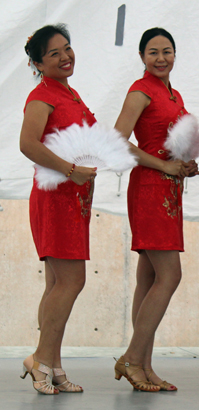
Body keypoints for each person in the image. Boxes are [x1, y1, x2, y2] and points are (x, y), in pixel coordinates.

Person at [113, 27, 199, 392]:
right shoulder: (140, 90)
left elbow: (167, 144)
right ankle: (132, 358)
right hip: (150, 189)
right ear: (142, 57)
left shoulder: (173, 94)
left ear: (176, 54)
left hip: (169, 190)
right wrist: (163, 166)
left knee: (148, 279)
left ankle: (144, 367)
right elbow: (117, 138)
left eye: (167, 51)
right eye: (153, 52)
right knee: (170, 275)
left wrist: (182, 163)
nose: (160, 58)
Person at [19, 24, 97, 394]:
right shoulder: (42, 96)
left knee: (57, 283)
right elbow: (27, 144)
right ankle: (40, 360)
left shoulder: (71, 94)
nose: (66, 57)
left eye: (67, 48)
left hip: (75, 200)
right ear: (37, 63)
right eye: (54, 54)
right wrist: (69, 170)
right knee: (71, 281)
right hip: (55, 197)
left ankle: (52, 363)